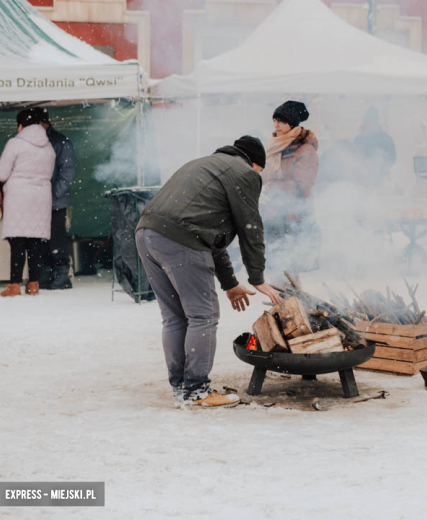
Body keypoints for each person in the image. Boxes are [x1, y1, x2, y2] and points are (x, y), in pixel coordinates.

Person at [136, 136, 282, 407]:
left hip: (147, 233)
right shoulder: (245, 173)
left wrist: (230, 284)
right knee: (203, 316)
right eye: (259, 171)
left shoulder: (204, 165)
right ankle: (197, 390)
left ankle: (181, 388)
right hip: (181, 240)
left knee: (175, 317)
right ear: (253, 163)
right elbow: (251, 226)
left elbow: (209, 236)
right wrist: (257, 277)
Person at [0, 109, 55, 297]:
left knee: (18, 242)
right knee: (35, 242)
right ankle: (33, 284)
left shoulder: (15, 144)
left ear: (20, 125)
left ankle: (14, 285)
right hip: (41, 196)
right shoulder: (48, 146)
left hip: (19, 196)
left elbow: (2, 173)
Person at [262, 100, 320, 273]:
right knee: (275, 265)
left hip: (293, 214)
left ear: (292, 123)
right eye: (275, 120)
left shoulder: (305, 150)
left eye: (281, 121)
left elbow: (303, 185)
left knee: (289, 265)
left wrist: (272, 186)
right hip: (273, 211)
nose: (276, 125)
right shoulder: (275, 146)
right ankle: (281, 299)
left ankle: (291, 298)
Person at [29, 108, 76, 290]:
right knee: (41, 241)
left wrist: (52, 193)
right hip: (39, 201)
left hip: (56, 202)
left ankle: (62, 277)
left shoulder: (60, 142)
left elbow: (68, 173)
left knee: (57, 239)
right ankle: (46, 275)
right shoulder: (37, 142)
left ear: (44, 124)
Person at [353, 107, 396, 186]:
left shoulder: (385, 139)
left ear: (376, 123)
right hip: (361, 181)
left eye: (370, 122)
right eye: (366, 122)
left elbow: (392, 159)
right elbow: (352, 157)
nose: (368, 125)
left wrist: (377, 167)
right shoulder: (358, 139)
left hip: (380, 181)